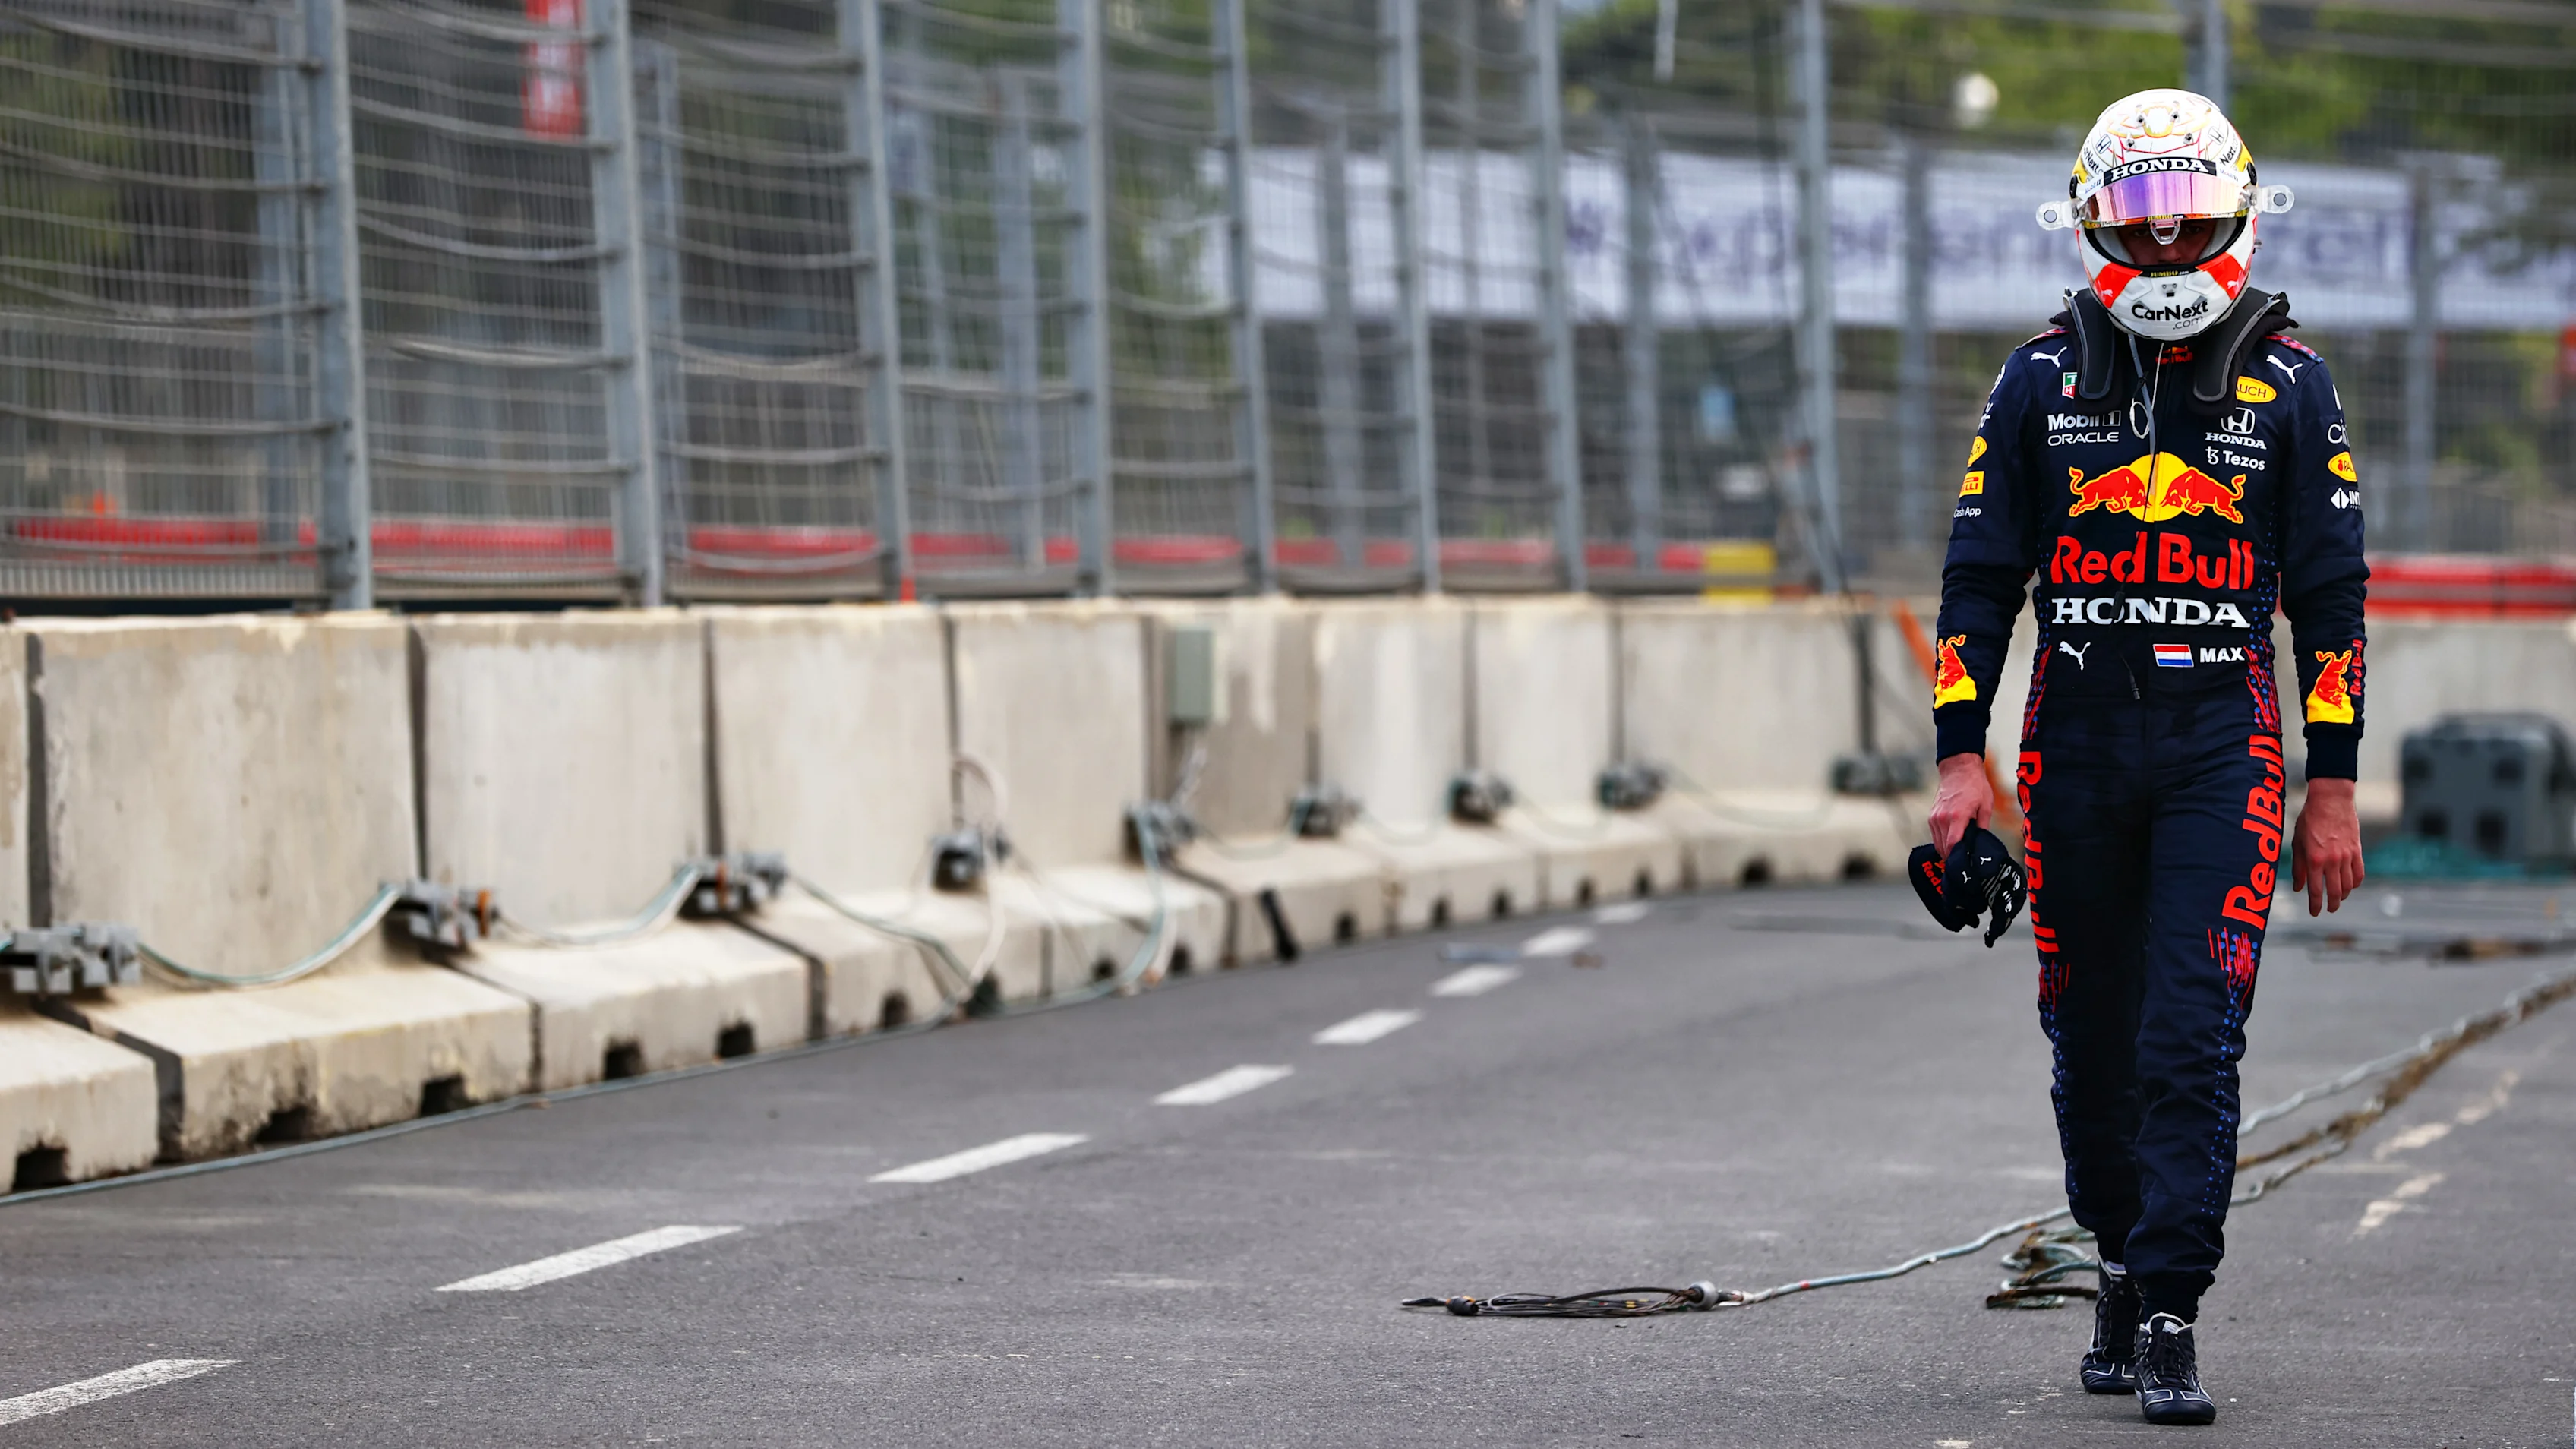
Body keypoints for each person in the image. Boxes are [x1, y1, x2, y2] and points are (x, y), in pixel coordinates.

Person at [1924, 88, 2368, 1428]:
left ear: (2235, 217)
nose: (2165, 250)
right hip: (2074, 744)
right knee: (2087, 1036)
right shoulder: (2035, 376)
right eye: (2137, 222)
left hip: (2221, 749)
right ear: (2091, 223)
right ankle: (2117, 1259)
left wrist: (2330, 786)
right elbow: (1977, 579)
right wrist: (1961, 762)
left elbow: (2334, 600)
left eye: (2188, 223)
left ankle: (2172, 1306)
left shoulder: (2294, 381)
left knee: (2193, 1035)